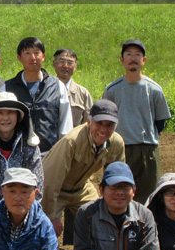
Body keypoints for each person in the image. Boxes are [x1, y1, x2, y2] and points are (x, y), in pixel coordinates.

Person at [42, 99, 125, 241]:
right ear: (89, 122)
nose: (104, 130)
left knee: (102, 220)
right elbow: (50, 181)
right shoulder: (71, 141)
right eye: (99, 123)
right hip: (57, 191)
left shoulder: (116, 143)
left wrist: (114, 208)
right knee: (46, 231)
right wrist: (51, 216)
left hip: (82, 189)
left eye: (109, 125)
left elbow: (119, 179)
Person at [102, 39, 171, 203]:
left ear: (144, 60)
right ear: (122, 60)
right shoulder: (112, 89)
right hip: (120, 149)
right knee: (117, 194)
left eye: (137, 55)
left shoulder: (154, 89)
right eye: (129, 54)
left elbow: (160, 122)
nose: (133, 58)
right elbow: (105, 121)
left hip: (147, 149)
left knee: (150, 196)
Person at [4, 37, 72, 155]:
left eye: (37, 53)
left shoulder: (57, 86)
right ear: (19, 57)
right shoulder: (7, 88)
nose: (33, 57)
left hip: (50, 154)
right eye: (27, 53)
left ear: (43, 56)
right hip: (17, 154)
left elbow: (65, 125)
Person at [52, 48, 93, 128]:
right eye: (62, 61)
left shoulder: (83, 93)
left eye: (70, 63)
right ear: (54, 63)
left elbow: (89, 123)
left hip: (74, 139)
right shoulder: (45, 89)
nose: (65, 66)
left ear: (75, 66)